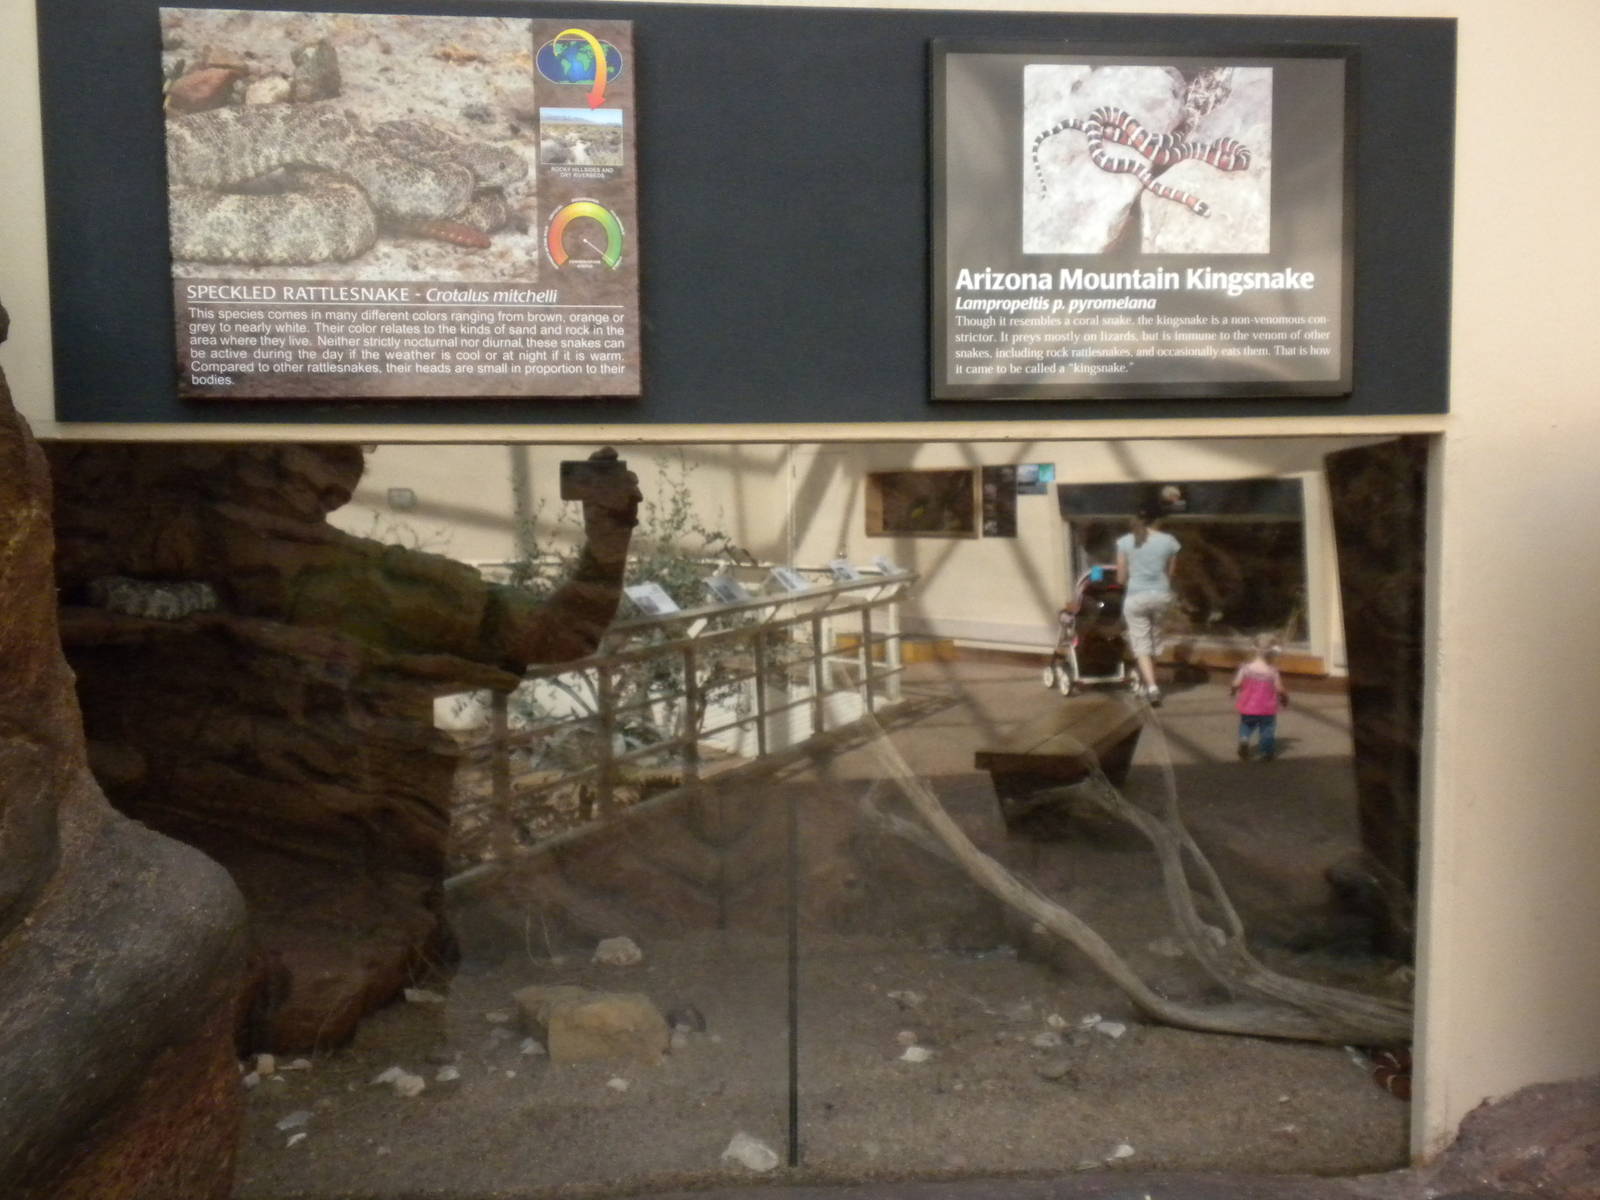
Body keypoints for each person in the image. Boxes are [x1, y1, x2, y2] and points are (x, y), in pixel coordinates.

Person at [1115, 503, 1180, 705]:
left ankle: (1152, 687)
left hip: (1136, 596)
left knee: (1142, 643)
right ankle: (1149, 680)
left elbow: (1120, 577)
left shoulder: (1125, 542)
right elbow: (1171, 574)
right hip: (1161, 595)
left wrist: (1128, 579)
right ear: (1158, 520)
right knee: (1155, 639)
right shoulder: (1169, 542)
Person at [1231, 633, 1290, 760]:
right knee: (1267, 729)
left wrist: (1233, 690)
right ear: (1272, 653)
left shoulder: (1245, 668)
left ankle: (1244, 739)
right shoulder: (1272, 671)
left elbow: (1235, 683)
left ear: (1254, 649)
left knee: (1246, 725)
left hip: (1248, 706)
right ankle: (1266, 752)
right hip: (1267, 708)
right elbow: (1279, 688)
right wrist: (1285, 697)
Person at [1042, 592, 1080, 693]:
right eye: (1072, 605)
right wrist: (1072, 619)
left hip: (1080, 641)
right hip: (1069, 642)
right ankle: (1056, 667)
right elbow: (1065, 620)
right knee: (1064, 650)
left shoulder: (1084, 615)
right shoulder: (1065, 615)